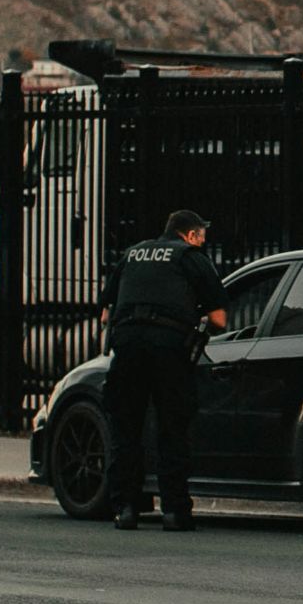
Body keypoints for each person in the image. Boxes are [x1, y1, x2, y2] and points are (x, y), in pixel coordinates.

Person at [99, 209, 227, 531]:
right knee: (173, 428)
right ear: (190, 235)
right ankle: (174, 512)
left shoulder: (133, 254)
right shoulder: (190, 258)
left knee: (126, 429)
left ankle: (126, 509)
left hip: (127, 345)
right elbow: (219, 319)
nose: (203, 240)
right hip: (168, 348)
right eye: (202, 235)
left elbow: (105, 315)